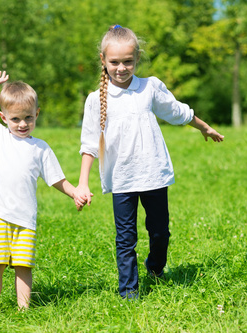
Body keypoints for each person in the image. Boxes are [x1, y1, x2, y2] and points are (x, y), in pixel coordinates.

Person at [74, 25, 224, 299]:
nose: (121, 68)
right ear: (103, 60)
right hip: (121, 179)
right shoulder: (96, 99)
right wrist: (82, 183)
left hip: (153, 174)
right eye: (114, 62)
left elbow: (176, 111)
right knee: (125, 238)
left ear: (137, 58)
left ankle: (155, 267)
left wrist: (203, 127)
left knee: (159, 232)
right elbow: (89, 143)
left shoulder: (149, 87)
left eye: (128, 61)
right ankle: (129, 291)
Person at [0, 70, 85, 312]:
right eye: (15, 119)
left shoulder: (40, 148)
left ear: (36, 114)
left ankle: (24, 310)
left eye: (28, 117)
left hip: (26, 219)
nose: (22, 124)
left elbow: (57, 179)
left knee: (24, 266)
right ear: (3, 117)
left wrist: (75, 192)